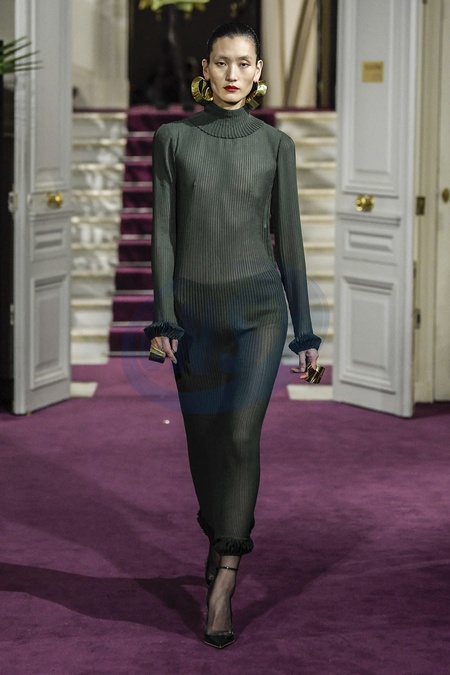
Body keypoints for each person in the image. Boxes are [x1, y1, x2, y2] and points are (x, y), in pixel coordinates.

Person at [144, 21, 321, 649]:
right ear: (206, 68)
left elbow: (289, 243)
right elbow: (162, 235)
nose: (233, 74)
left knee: (241, 436)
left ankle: (224, 578)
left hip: (259, 313)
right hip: (193, 313)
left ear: (258, 71)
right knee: (205, 443)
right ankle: (219, 526)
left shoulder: (276, 145)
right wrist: (164, 317)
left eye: (244, 63)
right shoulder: (173, 139)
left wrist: (306, 332)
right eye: (222, 62)